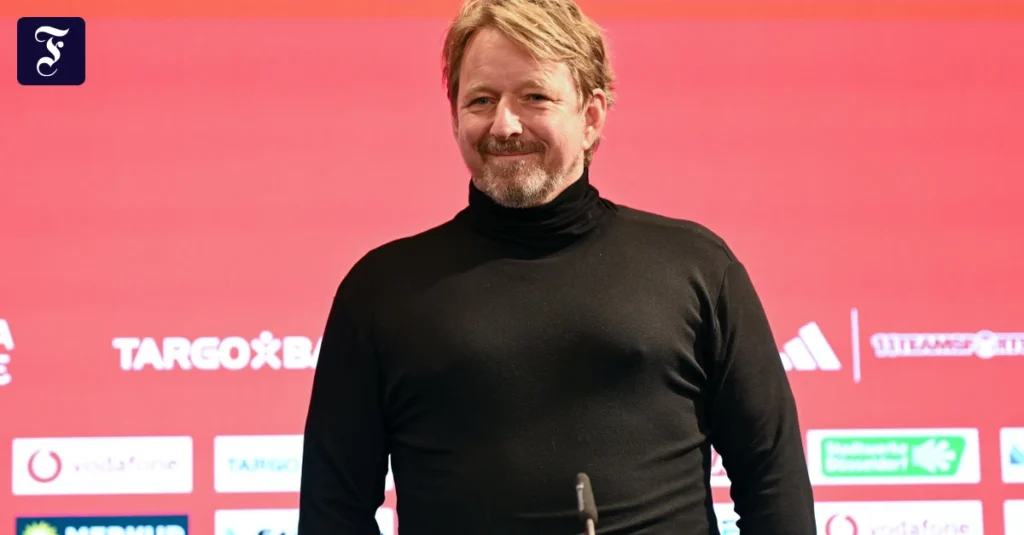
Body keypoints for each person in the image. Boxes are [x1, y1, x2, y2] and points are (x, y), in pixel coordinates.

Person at [297, 0, 817, 533]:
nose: (505, 124)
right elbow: (332, 511)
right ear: (454, 116)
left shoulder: (697, 269)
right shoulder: (382, 290)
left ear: (591, 116)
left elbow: (773, 484)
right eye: (481, 100)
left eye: (534, 97)